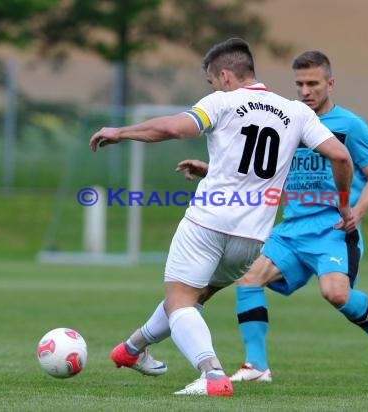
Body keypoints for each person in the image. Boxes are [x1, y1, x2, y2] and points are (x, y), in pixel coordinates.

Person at [89, 38, 354, 396]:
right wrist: (342, 203)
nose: (213, 88)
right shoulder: (297, 112)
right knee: (191, 300)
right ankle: (131, 350)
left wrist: (121, 132)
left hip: (207, 223)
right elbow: (340, 157)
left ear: (225, 75)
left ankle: (212, 375)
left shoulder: (222, 102)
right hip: (251, 240)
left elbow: (172, 128)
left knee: (180, 301)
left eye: (212, 81)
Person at [176, 50, 368, 387]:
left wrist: (357, 211)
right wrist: (210, 170)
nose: (305, 91)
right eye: (300, 83)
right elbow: (261, 168)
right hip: (291, 229)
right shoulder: (289, 117)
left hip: (332, 229)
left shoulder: (349, 126)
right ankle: (256, 364)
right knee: (249, 279)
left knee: (336, 295)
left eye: (313, 83)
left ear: (330, 84)